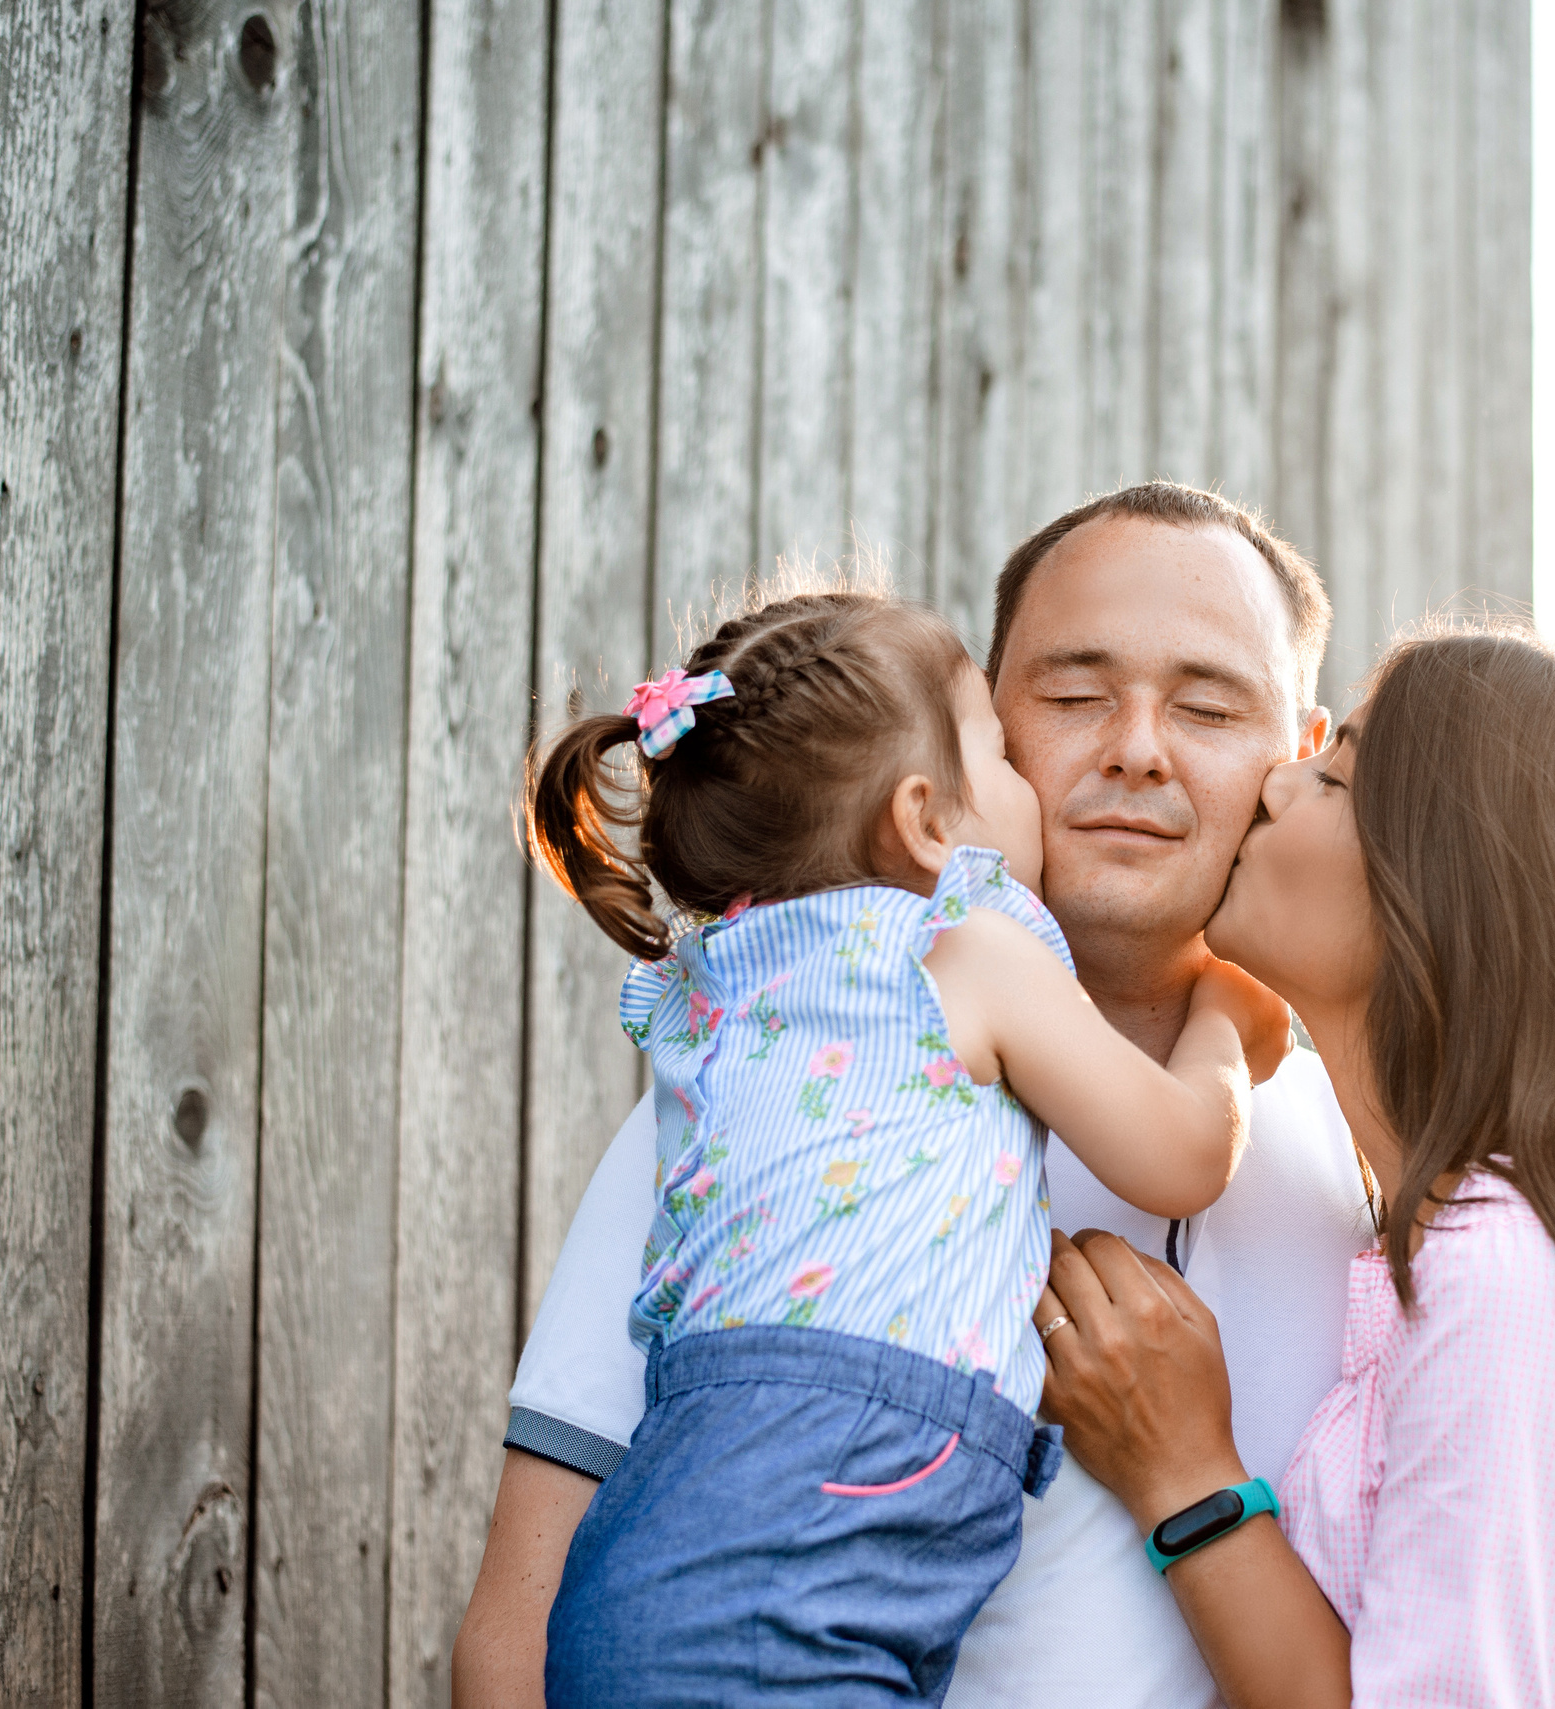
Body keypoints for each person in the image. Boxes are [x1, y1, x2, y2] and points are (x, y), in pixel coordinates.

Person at [454, 484, 1370, 1709]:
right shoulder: (774, 1084)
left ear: (1296, 761)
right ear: (969, 742)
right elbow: (517, 1634)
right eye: (1070, 694)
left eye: (1207, 705)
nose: (1137, 744)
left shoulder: (1365, 1163)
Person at [1027, 622, 1555, 1705]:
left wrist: (1181, 1467)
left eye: (1335, 778)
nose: (1280, 785)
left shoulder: (1520, 1266)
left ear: (1458, 883)